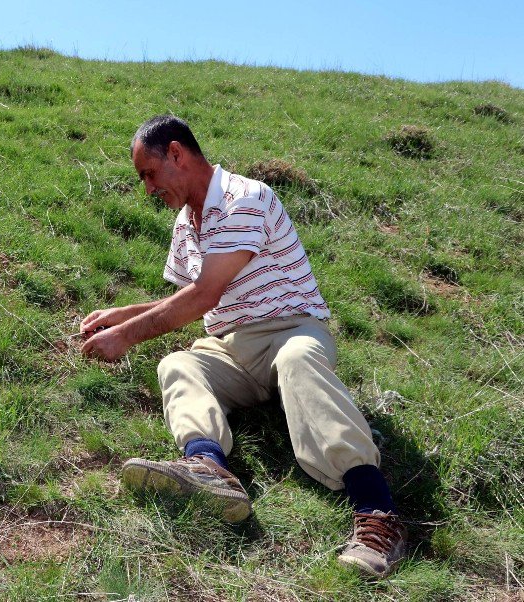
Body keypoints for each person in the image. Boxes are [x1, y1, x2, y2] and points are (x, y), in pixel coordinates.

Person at [80, 114, 407, 578]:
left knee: (298, 360)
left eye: (149, 173)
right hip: (230, 344)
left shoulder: (243, 198)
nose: (148, 189)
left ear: (176, 153)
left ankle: (377, 513)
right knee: (178, 363)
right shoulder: (185, 224)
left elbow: (205, 294)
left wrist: (127, 336)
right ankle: (208, 469)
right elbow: (192, 295)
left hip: (290, 330)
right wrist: (124, 313)